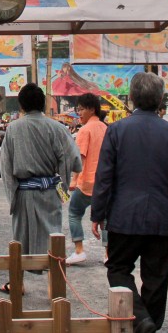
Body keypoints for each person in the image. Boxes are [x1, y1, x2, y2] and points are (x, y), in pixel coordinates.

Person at [90, 72, 168, 333]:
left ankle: (140, 317)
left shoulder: (116, 131)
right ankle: (151, 323)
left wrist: (97, 213)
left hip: (124, 216)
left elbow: (104, 176)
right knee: (156, 277)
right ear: (160, 100)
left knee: (118, 268)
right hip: (162, 216)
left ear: (131, 98)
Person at [0, 83, 81, 294]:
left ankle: (16, 284)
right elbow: (74, 161)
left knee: (19, 240)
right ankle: (54, 286)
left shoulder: (13, 129)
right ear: (43, 103)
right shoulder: (58, 128)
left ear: (21, 105)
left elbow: (6, 167)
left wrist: (12, 196)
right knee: (53, 238)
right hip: (50, 192)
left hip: (23, 193)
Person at [65, 93, 108, 266]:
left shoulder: (84, 130)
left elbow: (80, 159)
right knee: (105, 219)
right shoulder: (106, 128)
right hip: (104, 183)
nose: (79, 113)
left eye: (81, 109)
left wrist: (74, 181)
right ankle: (108, 253)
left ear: (91, 109)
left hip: (87, 182)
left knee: (74, 213)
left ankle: (79, 250)